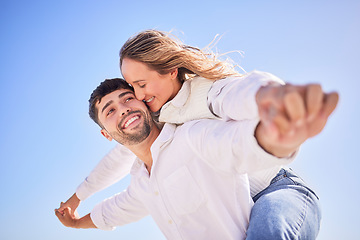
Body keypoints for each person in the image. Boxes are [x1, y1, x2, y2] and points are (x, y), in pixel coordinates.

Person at [58, 30, 339, 239]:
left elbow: (237, 99)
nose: (139, 97)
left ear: (170, 70)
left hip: (275, 187)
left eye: (139, 86)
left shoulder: (204, 96)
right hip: (237, 195)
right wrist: (77, 202)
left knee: (268, 233)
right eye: (134, 87)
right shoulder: (154, 123)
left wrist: (274, 98)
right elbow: (117, 181)